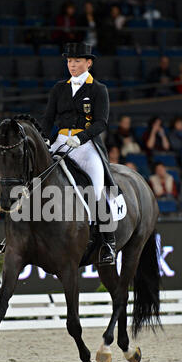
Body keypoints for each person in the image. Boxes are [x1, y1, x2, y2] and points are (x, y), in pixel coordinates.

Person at [41, 42, 124, 265]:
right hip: (61, 141)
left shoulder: (98, 89)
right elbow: (49, 118)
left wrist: (80, 138)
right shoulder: (59, 88)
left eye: (77, 61)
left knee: (97, 190)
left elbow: (101, 122)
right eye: (69, 61)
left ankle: (108, 242)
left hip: (86, 145)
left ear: (88, 63)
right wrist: (46, 138)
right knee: (36, 179)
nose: (72, 65)